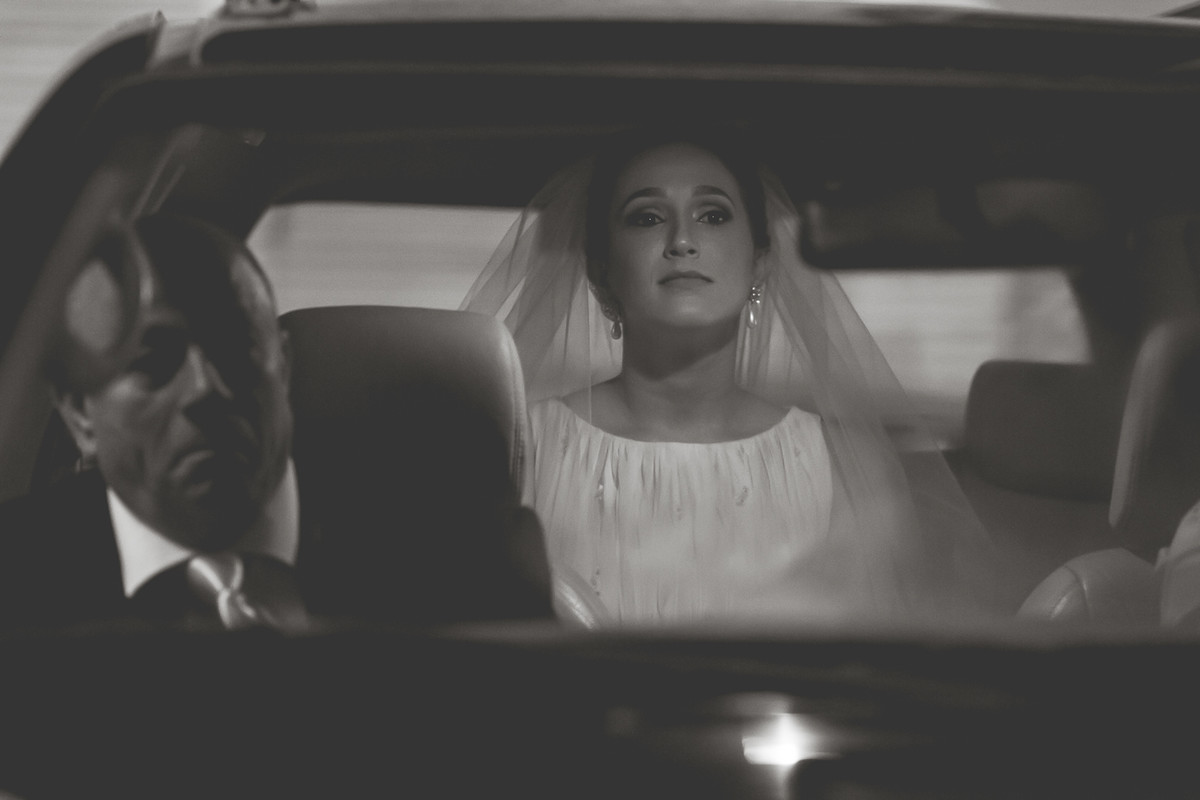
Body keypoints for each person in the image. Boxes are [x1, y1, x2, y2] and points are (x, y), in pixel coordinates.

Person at [463, 128, 1005, 626]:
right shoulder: (521, 454)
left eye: (713, 215)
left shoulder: (847, 465)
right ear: (602, 271)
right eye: (647, 218)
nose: (682, 240)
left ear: (759, 263)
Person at [0, 212, 551, 632]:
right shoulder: (17, 575)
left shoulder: (475, 567)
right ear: (80, 413)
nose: (205, 389)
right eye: (151, 361)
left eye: (234, 345)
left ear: (283, 367)